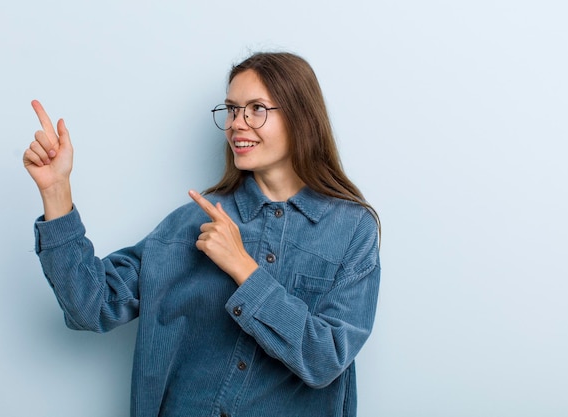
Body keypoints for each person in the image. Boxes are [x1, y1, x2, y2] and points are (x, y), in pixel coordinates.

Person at [23, 51, 381, 417]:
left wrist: (243, 267)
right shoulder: (191, 223)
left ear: (301, 117)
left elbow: (325, 359)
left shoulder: (353, 230)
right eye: (231, 109)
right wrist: (56, 191)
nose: (237, 123)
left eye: (257, 108)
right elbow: (91, 306)